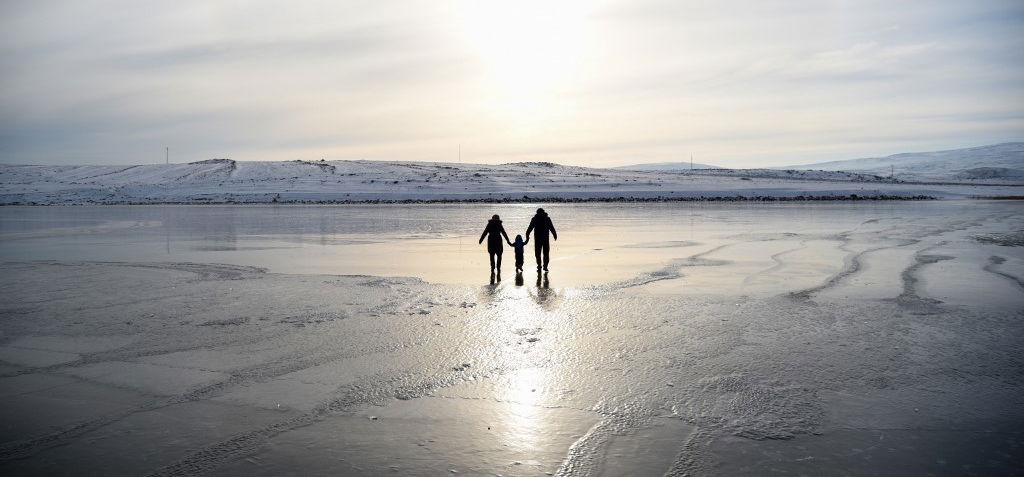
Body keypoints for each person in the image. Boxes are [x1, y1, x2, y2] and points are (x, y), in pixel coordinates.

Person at [525, 208, 557, 272]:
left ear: (537, 212)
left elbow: (529, 228)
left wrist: (527, 236)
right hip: (544, 239)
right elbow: (552, 227)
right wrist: (555, 235)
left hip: (538, 239)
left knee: (538, 253)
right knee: (545, 253)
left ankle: (540, 266)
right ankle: (544, 266)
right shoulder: (546, 219)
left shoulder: (535, 219)